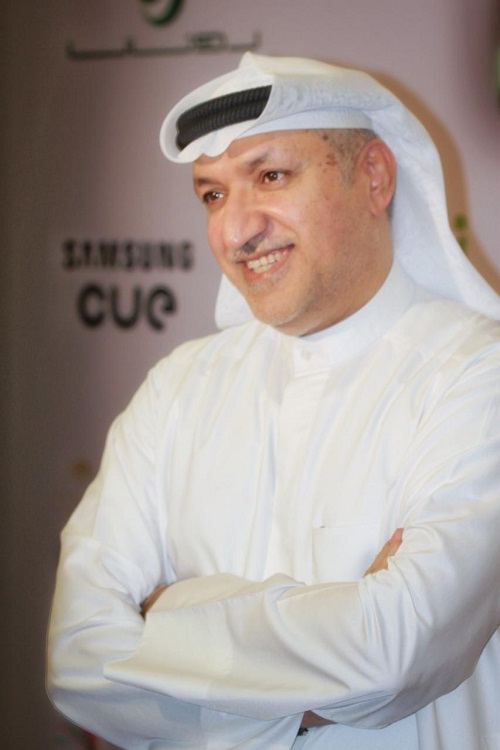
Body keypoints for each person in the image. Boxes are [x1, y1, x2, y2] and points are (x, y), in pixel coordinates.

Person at [47, 53, 500, 750]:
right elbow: (78, 660)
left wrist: (164, 619)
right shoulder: (177, 387)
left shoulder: (477, 374)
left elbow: (397, 656)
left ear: (374, 177)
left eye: (270, 176)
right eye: (212, 194)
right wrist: (338, 647)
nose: (234, 232)